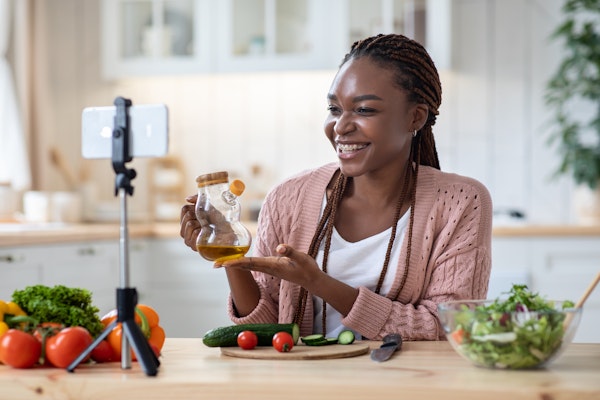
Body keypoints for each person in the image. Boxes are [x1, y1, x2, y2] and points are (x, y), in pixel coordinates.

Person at [180, 33, 493, 341]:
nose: (341, 126)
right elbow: (267, 329)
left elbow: (448, 328)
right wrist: (229, 253)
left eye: (364, 110)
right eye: (334, 109)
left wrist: (319, 283)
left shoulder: (460, 201)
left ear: (416, 116)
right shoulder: (288, 198)